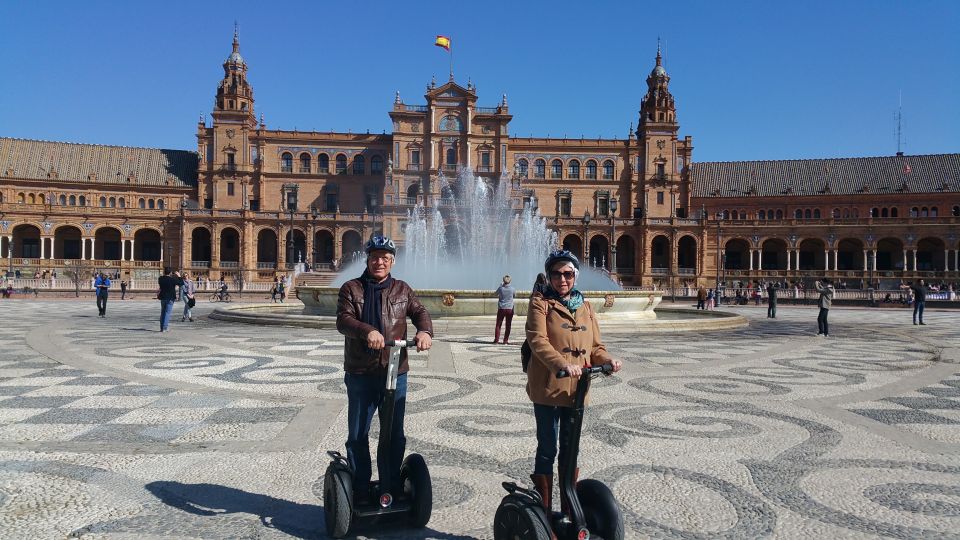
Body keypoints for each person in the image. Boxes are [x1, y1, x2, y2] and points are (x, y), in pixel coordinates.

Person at [335, 235, 433, 503]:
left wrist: (424, 331)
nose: (380, 262)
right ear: (367, 259)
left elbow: (420, 311)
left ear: (392, 261)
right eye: (375, 257)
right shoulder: (351, 288)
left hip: (395, 371)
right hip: (361, 373)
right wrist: (367, 331)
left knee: (394, 434)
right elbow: (343, 320)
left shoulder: (402, 289)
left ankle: (391, 485)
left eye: (385, 258)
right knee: (358, 434)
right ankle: (361, 487)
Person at [525, 249, 622, 517]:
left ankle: (569, 508)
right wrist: (560, 364)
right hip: (548, 386)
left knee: (571, 448)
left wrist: (608, 360)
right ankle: (544, 511)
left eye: (567, 273)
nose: (562, 279)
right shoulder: (540, 303)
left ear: (575, 276)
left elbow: (595, 347)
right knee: (548, 447)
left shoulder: (586, 307)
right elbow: (537, 340)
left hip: (577, 390)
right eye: (556, 274)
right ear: (549, 276)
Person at [494, 275, 516, 344]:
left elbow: (495, 294)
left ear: (503, 281)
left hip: (501, 308)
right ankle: (505, 341)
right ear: (510, 281)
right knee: (508, 325)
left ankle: (496, 340)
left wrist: (501, 286)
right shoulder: (512, 289)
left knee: (498, 325)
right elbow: (514, 295)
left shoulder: (500, 288)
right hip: (510, 308)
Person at [158, 267, 179, 332]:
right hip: (170, 298)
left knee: (163, 312)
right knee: (167, 313)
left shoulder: (160, 279)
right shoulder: (172, 279)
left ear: (164, 272)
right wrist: (179, 276)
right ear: (170, 273)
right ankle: (165, 328)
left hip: (163, 297)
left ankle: (161, 328)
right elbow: (181, 283)